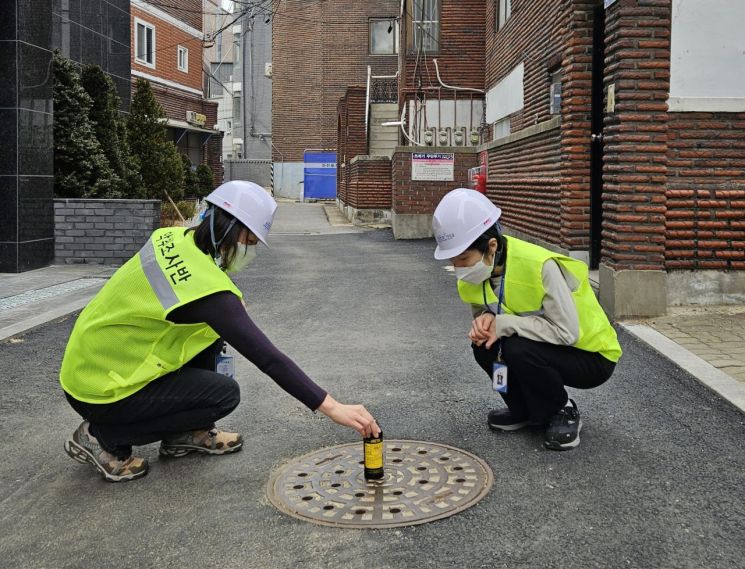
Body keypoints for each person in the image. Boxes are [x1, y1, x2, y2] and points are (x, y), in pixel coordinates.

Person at [61, 181, 380, 482]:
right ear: (229, 229)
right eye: (250, 242)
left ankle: (184, 434)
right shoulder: (209, 292)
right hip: (101, 389)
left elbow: (196, 294)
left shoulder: (171, 238)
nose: (250, 251)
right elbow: (269, 359)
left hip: (92, 361)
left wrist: (227, 309)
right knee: (223, 395)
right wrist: (333, 407)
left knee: (212, 337)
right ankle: (101, 436)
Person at [432, 188, 621, 450]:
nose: (459, 268)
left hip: (590, 355)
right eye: (453, 261)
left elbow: (567, 333)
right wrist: (486, 321)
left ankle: (562, 409)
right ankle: (523, 410)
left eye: (464, 258)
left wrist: (503, 324)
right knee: (485, 346)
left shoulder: (539, 266)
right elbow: (491, 312)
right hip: (543, 346)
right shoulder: (471, 277)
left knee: (516, 348)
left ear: (492, 246)